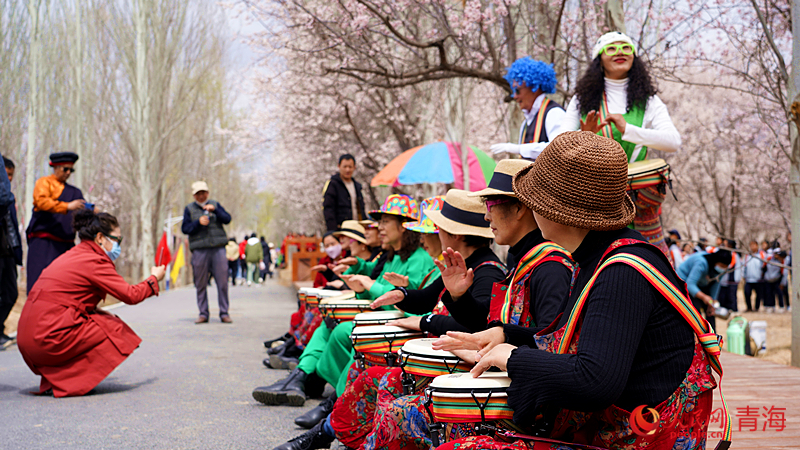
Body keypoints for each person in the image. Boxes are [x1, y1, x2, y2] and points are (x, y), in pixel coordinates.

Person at [437, 132, 726, 450]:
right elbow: (580, 339)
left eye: (534, 201)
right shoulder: (600, 257)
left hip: (634, 439)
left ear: (556, 211)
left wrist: (514, 357)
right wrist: (506, 336)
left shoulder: (622, 272)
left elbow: (595, 380)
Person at [253, 194, 434, 408]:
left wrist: (369, 285)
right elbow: (381, 281)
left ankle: (321, 389)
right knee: (329, 324)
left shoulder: (419, 259)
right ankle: (301, 376)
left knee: (341, 330)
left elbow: (406, 300)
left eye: (385, 222)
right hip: (383, 318)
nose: (380, 228)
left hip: (399, 326)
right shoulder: (395, 255)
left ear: (404, 226)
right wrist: (360, 270)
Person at [16, 209, 166, 397]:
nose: (118, 245)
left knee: (98, 316)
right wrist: (154, 278)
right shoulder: (94, 260)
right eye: (117, 240)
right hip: (46, 339)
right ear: (101, 238)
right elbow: (131, 295)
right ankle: (72, 383)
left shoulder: (73, 254)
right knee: (113, 328)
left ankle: (58, 380)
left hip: (27, 340)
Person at [560, 31, 681, 261]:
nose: (620, 53)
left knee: (648, 264)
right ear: (600, 57)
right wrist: (584, 137)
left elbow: (673, 141)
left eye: (625, 48)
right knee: (593, 262)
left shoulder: (649, 101)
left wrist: (628, 130)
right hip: (594, 197)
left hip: (638, 199)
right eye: (612, 48)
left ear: (634, 56)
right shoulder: (581, 99)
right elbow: (560, 143)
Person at [25, 152, 86, 293]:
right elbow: (41, 202)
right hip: (43, 242)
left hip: (65, 244)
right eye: (65, 169)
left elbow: (81, 216)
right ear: (55, 167)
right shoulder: (44, 183)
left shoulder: (75, 192)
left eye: (71, 170)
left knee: (63, 284)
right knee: (38, 282)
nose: (68, 173)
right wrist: (66, 206)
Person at [490, 57, 565, 160]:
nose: (515, 96)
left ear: (534, 87)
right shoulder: (525, 124)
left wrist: (516, 148)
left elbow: (558, 149)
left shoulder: (554, 113)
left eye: (517, 90)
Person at [181, 181, 233, 324]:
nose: (201, 196)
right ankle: (203, 313)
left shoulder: (215, 205)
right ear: (194, 195)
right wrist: (198, 223)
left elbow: (227, 219)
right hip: (199, 250)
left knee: (222, 282)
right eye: (198, 194)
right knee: (200, 283)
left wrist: (215, 210)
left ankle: (224, 312)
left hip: (218, 249)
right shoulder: (189, 209)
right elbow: (185, 229)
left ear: (208, 193)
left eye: (203, 193)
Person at [677, 249, 732, 330]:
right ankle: (697, 333)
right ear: (716, 261)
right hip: (684, 283)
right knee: (695, 309)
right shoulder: (701, 262)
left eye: (725, 267)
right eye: (722, 266)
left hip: (701, 284)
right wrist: (704, 297)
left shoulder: (720, 270)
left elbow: (716, 284)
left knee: (710, 309)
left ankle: (712, 336)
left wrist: (713, 300)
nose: (723, 269)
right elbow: (690, 284)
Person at [322, 154, 366, 232]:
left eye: (350, 167)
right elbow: (328, 208)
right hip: (341, 229)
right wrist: (333, 229)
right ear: (339, 166)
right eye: (345, 167)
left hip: (357, 228)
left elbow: (361, 208)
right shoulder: (333, 185)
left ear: (354, 167)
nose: (347, 170)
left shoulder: (357, 186)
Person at [0, 158, 16, 348]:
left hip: (7, 249)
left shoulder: (9, 197)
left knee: (10, 293)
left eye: (10, 175)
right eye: (6, 174)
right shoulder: (5, 196)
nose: (8, 178)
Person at [718, 239, 742, 312]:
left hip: (732, 278)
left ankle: (733, 309)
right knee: (724, 295)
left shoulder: (734, 254)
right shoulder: (728, 253)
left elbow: (730, 265)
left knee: (731, 295)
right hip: (726, 279)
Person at [743, 240, 767, 312]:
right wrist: (744, 275)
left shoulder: (762, 254)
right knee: (747, 293)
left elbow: (765, 265)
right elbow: (744, 266)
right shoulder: (747, 255)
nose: (752, 247)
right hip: (748, 279)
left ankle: (757, 308)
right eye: (751, 245)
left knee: (758, 295)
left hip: (758, 279)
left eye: (754, 245)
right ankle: (749, 307)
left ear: (757, 245)